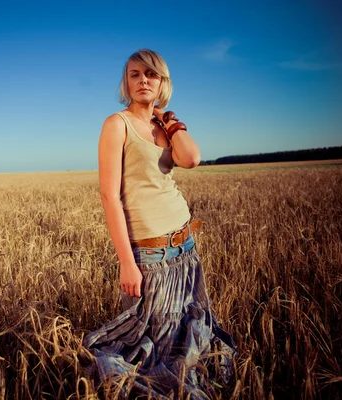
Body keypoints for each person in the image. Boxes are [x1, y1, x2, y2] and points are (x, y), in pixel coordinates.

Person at [83, 49, 237, 399]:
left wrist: (171, 121)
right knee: (153, 348)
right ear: (126, 81)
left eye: (151, 75)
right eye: (135, 74)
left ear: (162, 82)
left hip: (185, 246)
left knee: (188, 332)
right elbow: (110, 197)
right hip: (150, 252)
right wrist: (126, 262)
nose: (142, 81)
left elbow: (191, 159)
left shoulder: (164, 125)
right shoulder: (116, 124)